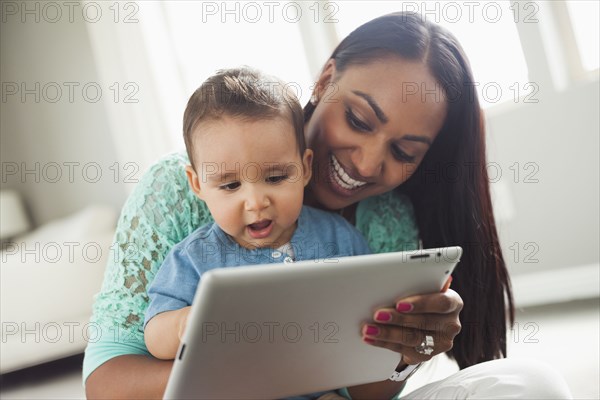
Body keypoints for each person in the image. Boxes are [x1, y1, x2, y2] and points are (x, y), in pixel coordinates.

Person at [84, 12, 572, 399]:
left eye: (404, 152)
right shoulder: (180, 200)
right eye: (359, 119)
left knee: (534, 385)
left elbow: (366, 392)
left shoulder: (381, 224)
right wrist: (256, 372)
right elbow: (108, 385)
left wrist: (404, 354)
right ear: (325, 80)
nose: (366, 162)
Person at [143, 67, 370, 371]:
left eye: (275, 177)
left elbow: (372, 302)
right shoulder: (194, 258)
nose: (255, 202)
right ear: (197, 185)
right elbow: (155, 336)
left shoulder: (338, 239)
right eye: (230, 185)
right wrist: (185, 324)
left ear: (304, 168)